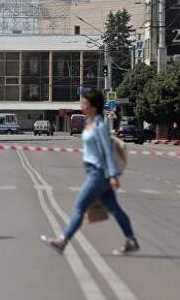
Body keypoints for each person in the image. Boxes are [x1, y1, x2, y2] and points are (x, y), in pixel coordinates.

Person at [40, 90, 139, 255]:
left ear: (93, 107)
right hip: (96, 172)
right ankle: (131, 240)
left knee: (79, 208)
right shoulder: (90, 122)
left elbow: (107, 151)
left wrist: (112, 175)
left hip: (98, 173)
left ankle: (62, 241)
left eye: (84, 103)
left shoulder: (100, 126)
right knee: (115, 208)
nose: (82, 106)